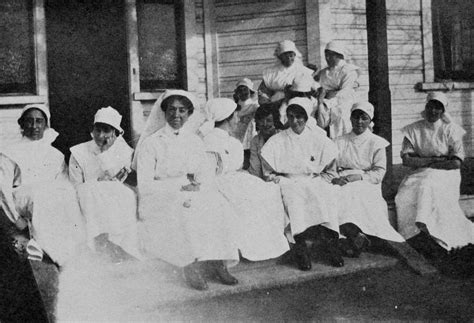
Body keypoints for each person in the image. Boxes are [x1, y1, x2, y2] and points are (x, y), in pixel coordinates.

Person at [134, 90, 239, 291]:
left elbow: (203, 173)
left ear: (189, 114)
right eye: (172, 110)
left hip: (188, 190)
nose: (176, 115)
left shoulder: (194, 141)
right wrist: (178, 187)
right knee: (184, 207)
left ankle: (218, 262)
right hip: (159, 195)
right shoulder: (152, 143)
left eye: (182, 110)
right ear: (164, 112)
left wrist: (199, 185)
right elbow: (145, 184)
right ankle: (190, 264)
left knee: (218, 204)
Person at [201, 98, 290, 262]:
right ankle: (253, 247)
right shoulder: (210, 141)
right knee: (248, 199)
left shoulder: (232, 141)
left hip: (236, 178)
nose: (238, 119)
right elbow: (209, 172)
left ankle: (273, 243)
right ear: (228, 118)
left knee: (266, 191)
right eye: (235, 116)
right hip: (219, 181)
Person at [260, 97, 344, 270]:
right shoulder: (277, 140)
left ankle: (332, 245)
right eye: (291, 116)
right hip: (288, 181)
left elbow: (331, 169)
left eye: (299, 117)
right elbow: (268, 172)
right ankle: (301, 248)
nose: (295, 121)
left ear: (306, 117)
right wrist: (281, 180)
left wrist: (321, 179)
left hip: (313, 180)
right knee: (294, 198)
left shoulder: (318, 138)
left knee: (327, 194)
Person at [0, 104, 85, 267]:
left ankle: (71, 254)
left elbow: (64, 183)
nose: (34, 126)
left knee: (66, 195)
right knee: (41, 194)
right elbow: (2, 190)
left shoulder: (55, 155)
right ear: (22, 124)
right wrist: (15, 219)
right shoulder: (9, 152)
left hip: (48, 199)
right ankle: (50, 251)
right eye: (29, 121)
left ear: (46, 125)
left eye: (39, 121)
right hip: (22, 199)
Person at [395, 92, 474, 259]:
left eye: (438, 107)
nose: (433, 111)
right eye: (430, 106)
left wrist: (423, 161)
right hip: (420, 172)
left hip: (447, 174)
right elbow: (407, 160)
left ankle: (430, 228)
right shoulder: (413, 129)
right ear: (426, 106)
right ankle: (413, 233)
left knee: (427, 186)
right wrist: (433, 160)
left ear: (443, 110)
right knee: (404, 194)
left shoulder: (451, 130)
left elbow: (455, 162)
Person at [69, 106, 141, 262]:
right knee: (91, 191)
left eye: (107, 131)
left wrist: (106, 153)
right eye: (97, 130)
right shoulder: (78, 153)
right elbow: (75, 186)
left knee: (122, 193)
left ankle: (119, 245)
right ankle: (100, 243)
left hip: (116, 200)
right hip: (88, 199)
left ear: (116, 132)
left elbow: (125, 182)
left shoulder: (125, 152)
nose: (101, 136)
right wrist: (96, 183)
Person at [332, 102, 405, 257]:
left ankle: (353, 236)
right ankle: (354, 236)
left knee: (358, 192)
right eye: (356, 117)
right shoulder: (339, 141)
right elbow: (331, 167)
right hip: (342, 178)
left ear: (369, 120)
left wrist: (358, 177)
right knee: (336, 194)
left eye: (363, 118)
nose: (359, 122)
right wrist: (336, 179)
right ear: (350, 118)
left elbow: (378, 173)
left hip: (367, 180)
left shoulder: (376, 142)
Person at [316, 40, 360, 139]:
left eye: (331, 55)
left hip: (344, 101)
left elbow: (345, 91)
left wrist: (329, 95)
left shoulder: (348, 70)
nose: (327, 58)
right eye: (326, 55)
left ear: (339, 55)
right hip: (325, 101)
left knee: (341, 116)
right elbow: (318, 87)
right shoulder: (324, 72)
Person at [258, 40, 317, 105]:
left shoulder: (303, 71)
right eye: (285, 55)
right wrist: (266, 103)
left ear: (295, 55)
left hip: (297, 104)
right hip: (275, 104)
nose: (289, 58)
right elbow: (263, 91)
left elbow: (313, 90)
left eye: (291, 55)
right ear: (280, 56)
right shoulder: (271, 72)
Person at [248, 102, 283, 179]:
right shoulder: (255, 141)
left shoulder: (283, 138)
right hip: (265, 182)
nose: (265, 124)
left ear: (275, 121)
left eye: (269, 120)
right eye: (261, 120)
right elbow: (255, 170)